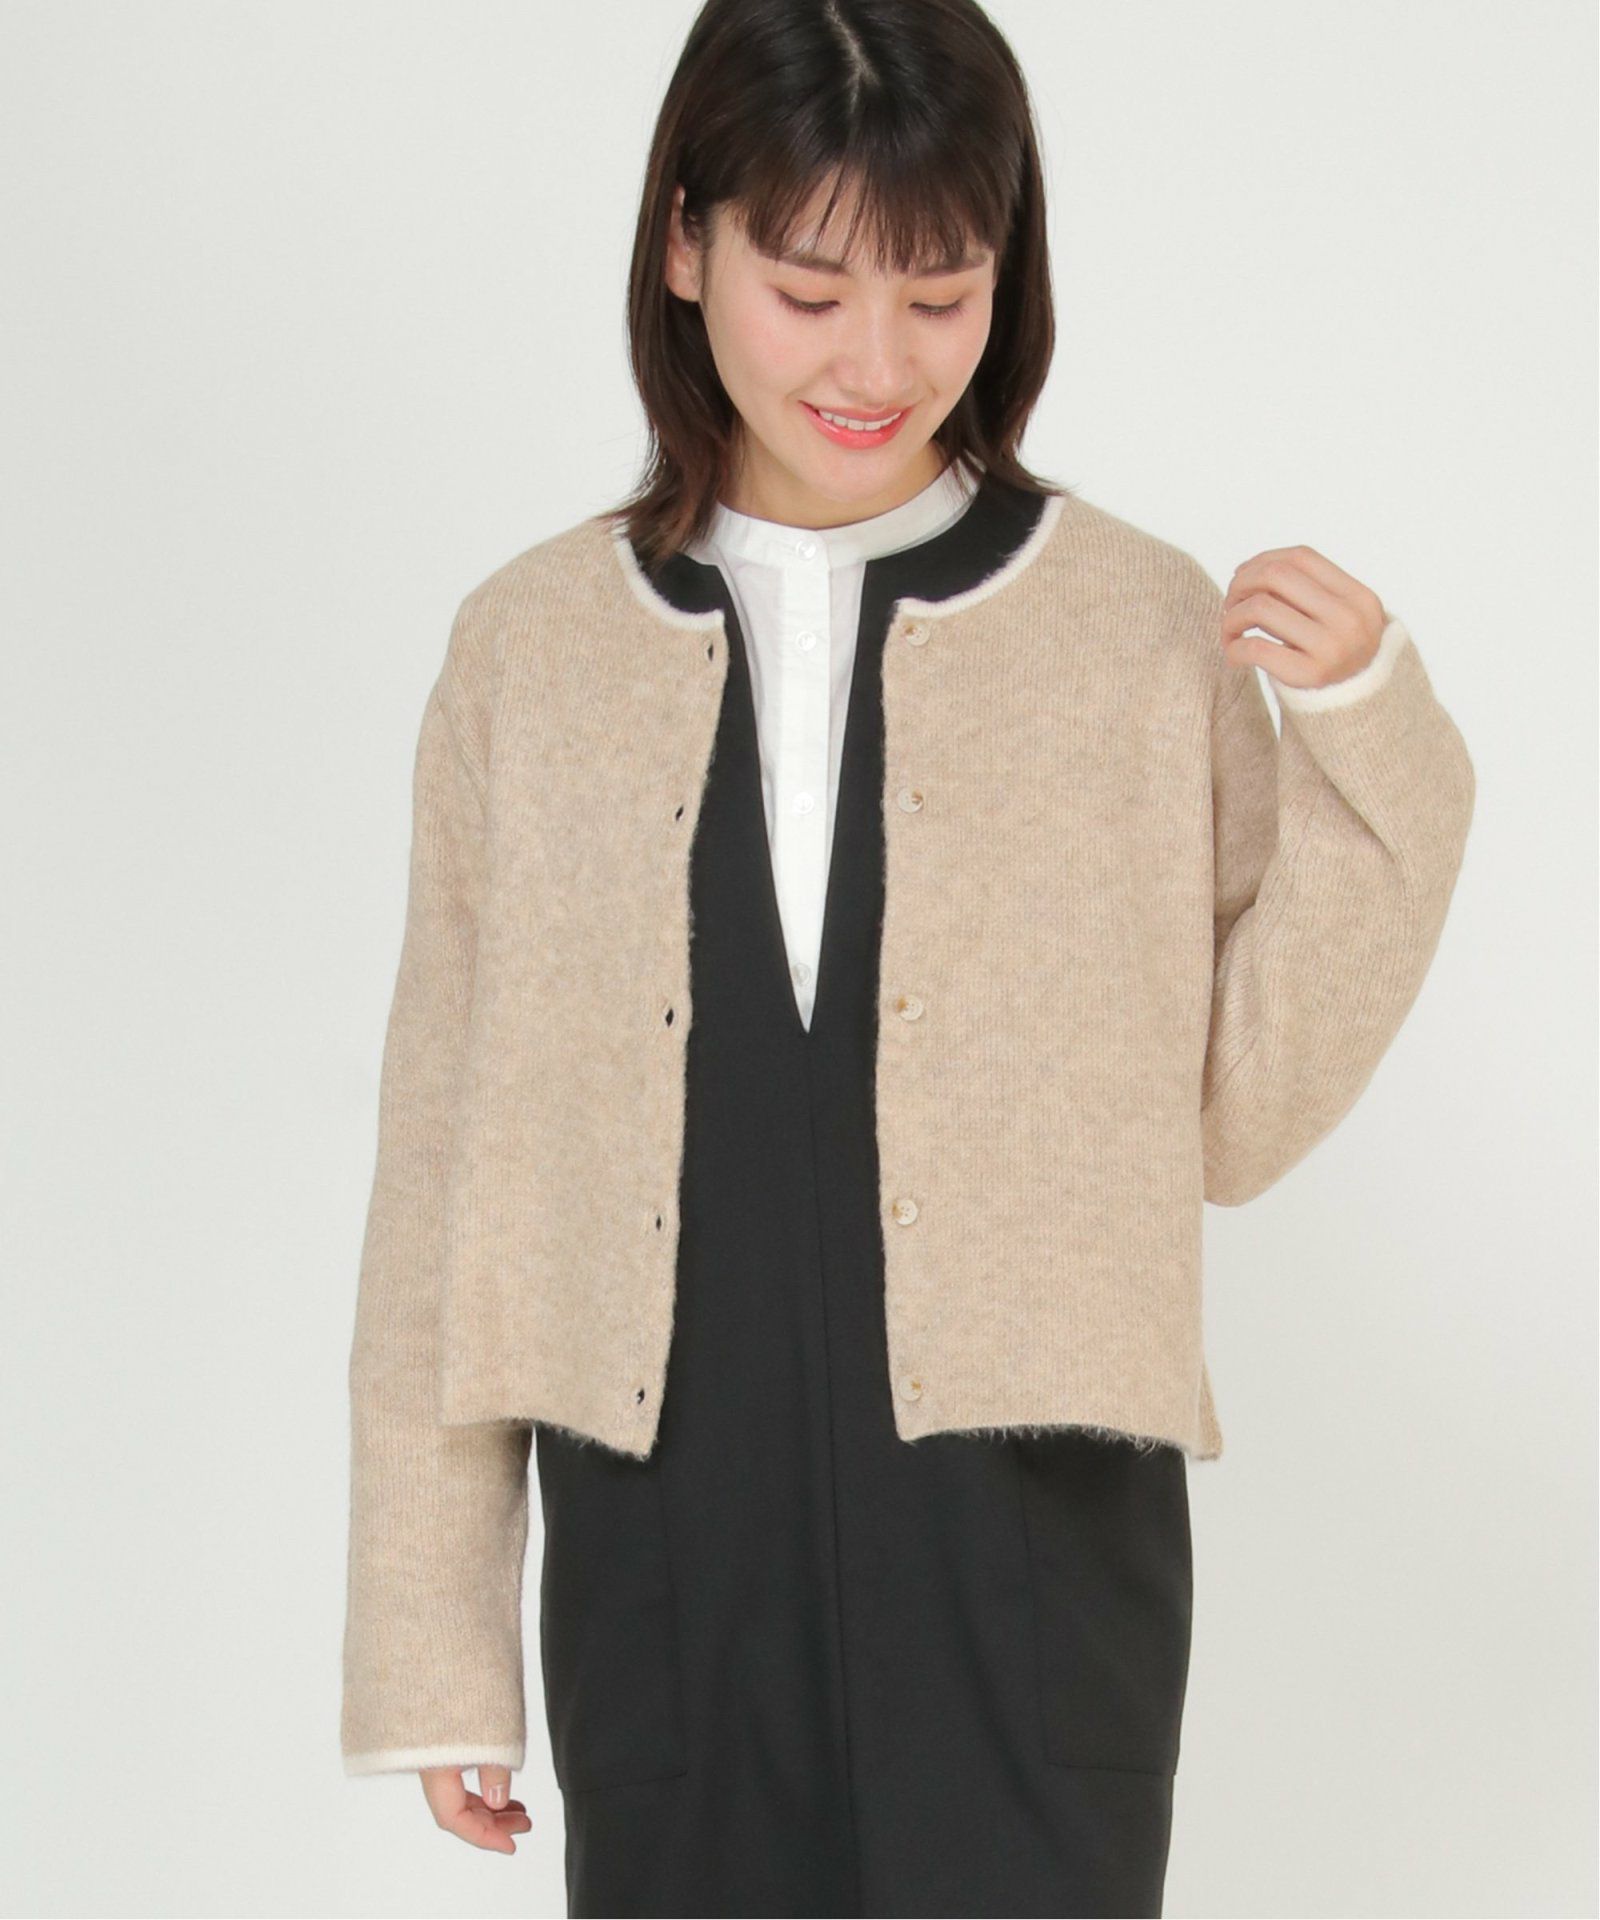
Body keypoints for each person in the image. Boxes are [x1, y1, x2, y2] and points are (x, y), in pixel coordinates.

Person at [339, 2, 1476, 1914]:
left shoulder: (1134, 625)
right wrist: (430, 1633)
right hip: (664, 1546)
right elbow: (443, 1160)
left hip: (1028, 1556)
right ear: (684, 242)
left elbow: (1235, 1115)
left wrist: (1375, 749)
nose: (877, 364)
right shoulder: (529, 651)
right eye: (810, 291)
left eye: (942, 295)